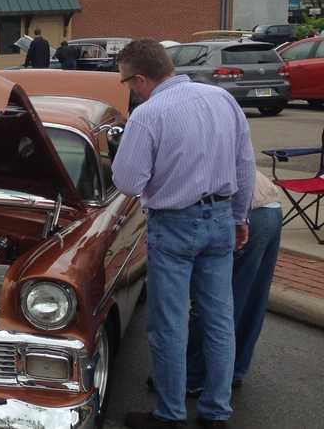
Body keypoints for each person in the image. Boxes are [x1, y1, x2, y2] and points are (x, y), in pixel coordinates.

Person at [112, 39, 254, 429]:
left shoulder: (148, 114)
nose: (129, 89)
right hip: (222, 216)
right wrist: (241, 218)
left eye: (127, 82)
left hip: (175, 223)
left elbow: (127, 181)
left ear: (140, 79)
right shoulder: (221, 99)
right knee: (219, 319)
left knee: (169, 322)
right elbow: (245, 165)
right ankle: (216, 412)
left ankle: (170, 414)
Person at [185, 171, 282, 396]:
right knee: (251, 298)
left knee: (212, 300)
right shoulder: (224, 135)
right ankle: (235, 370)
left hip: (243, 212)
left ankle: (192, 376)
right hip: (270, 205)